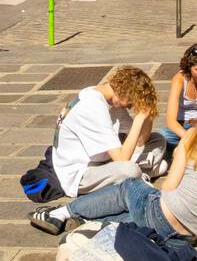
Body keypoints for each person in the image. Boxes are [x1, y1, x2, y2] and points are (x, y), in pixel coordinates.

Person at [31, 86, 197, 261]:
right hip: (191, 235)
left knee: (130, 188)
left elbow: (168, 188)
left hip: (163, 215)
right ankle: (86, 225)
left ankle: (62, 213)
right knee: (133, 212)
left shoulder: (192, 138)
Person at [48, 66, 168, 200]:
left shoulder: (111, 100)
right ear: (125, 92)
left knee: (158, 140)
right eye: (131, 103)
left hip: (105, 161)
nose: (130, 107)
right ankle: (140, 175)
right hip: (81, 175)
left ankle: (139, 177)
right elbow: (122, 160)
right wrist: (139, 119)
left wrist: (148, 114)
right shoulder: (93, 106)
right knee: (130, 170)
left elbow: (140, 140)